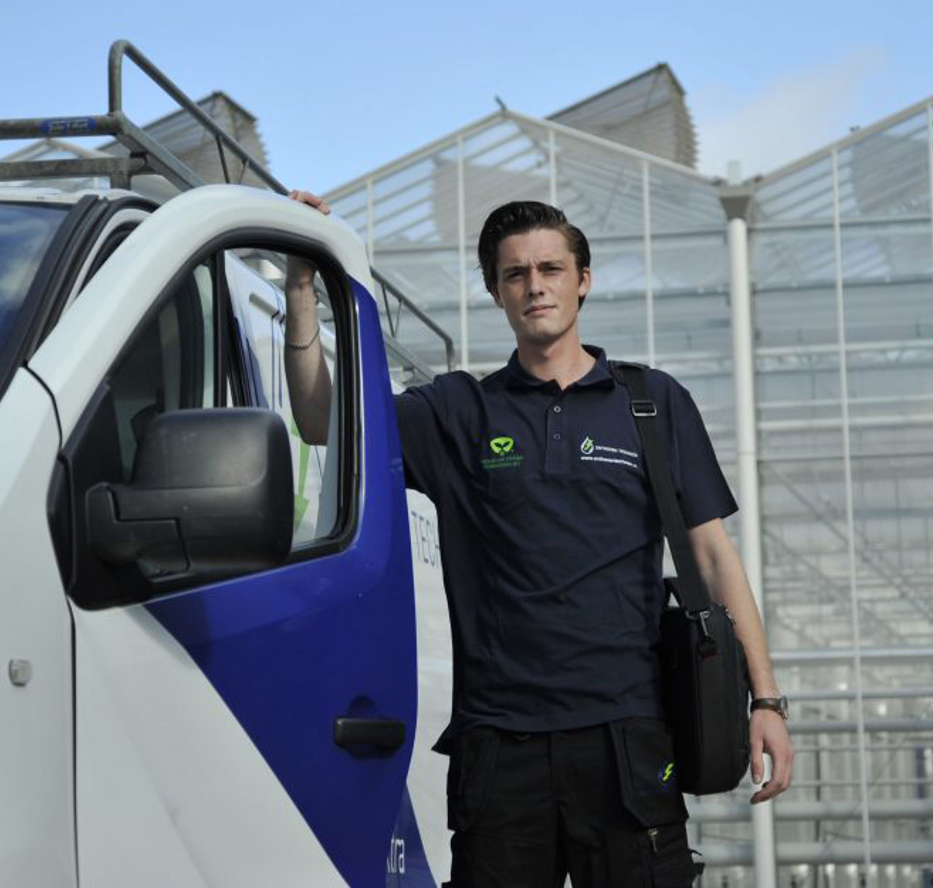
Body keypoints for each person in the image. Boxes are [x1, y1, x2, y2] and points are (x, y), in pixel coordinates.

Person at [285, 193, 793, 888]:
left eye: (551, 269)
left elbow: (711, 556)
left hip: (628, 741)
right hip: (500, 750)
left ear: (583, 279)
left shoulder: (652, 403)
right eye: (516, 273)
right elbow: (322, 420)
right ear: (496, 291)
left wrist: (764, 701)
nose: (535, 286)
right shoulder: (458, 412)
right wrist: (303, 287)